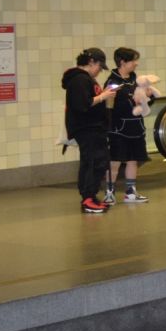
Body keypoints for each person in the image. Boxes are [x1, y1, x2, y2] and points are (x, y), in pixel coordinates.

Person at [62, 48, 115, 215]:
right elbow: (83, 104)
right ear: (91, 62)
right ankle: (88, 197)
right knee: (93, 161)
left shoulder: (85, 79)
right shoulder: (79, 80)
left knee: (97, 161)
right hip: (87, 128)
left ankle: (90, 196)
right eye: (99, 66)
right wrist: (103, 96)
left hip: (93, 128)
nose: (99, 71)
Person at [103, 46, 155, 203]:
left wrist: (148, 97)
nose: (136, 63)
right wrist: (132, 101)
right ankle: (109, 192)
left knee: (133, 160)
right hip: (118, 128)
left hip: (136, 127)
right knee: (115, 161)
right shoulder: (112, 82)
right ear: (122, 62)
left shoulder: (136, 80)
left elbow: (144, 104)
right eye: (133, 60)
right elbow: (109, 106)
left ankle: (131, 192)